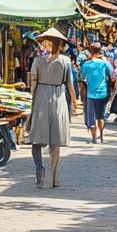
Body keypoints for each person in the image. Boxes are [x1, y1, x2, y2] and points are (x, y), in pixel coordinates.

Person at [27, 27, 77, 187]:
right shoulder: (66, 61)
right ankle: (54, 179)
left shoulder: (37, 60)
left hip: (41, 96)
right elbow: (70, 84)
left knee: (37, 138)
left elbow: (33, 84)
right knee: (55, 142)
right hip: (59, 97)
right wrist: (75, 102)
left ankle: (40, 170)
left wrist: (32, 102)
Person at [78, 42, 114, 144]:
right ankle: (101, 136)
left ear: (90, 51)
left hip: (90, 94)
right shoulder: (104, 63)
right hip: (103, 93)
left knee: (91, 117)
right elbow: (112, 73)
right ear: (100, 51)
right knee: (100, 116)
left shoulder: (86, 64)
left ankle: (94, 138)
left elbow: (81, 76)